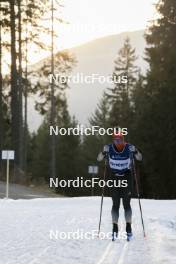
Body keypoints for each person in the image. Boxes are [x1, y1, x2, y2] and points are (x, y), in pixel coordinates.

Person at [97, 132, 142, 241]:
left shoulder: (129, 147)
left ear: (123, 140)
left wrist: (135, 151)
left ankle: (128, 227)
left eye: (120, 140)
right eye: (116, 140)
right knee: (115, 204)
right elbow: (98, 159)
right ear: (113, 141)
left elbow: (139, 158)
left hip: (126, 176)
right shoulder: (109, 148)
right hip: (114, 177)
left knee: (126, 204)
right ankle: (115, 227)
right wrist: (103, 152)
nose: (118, 142)